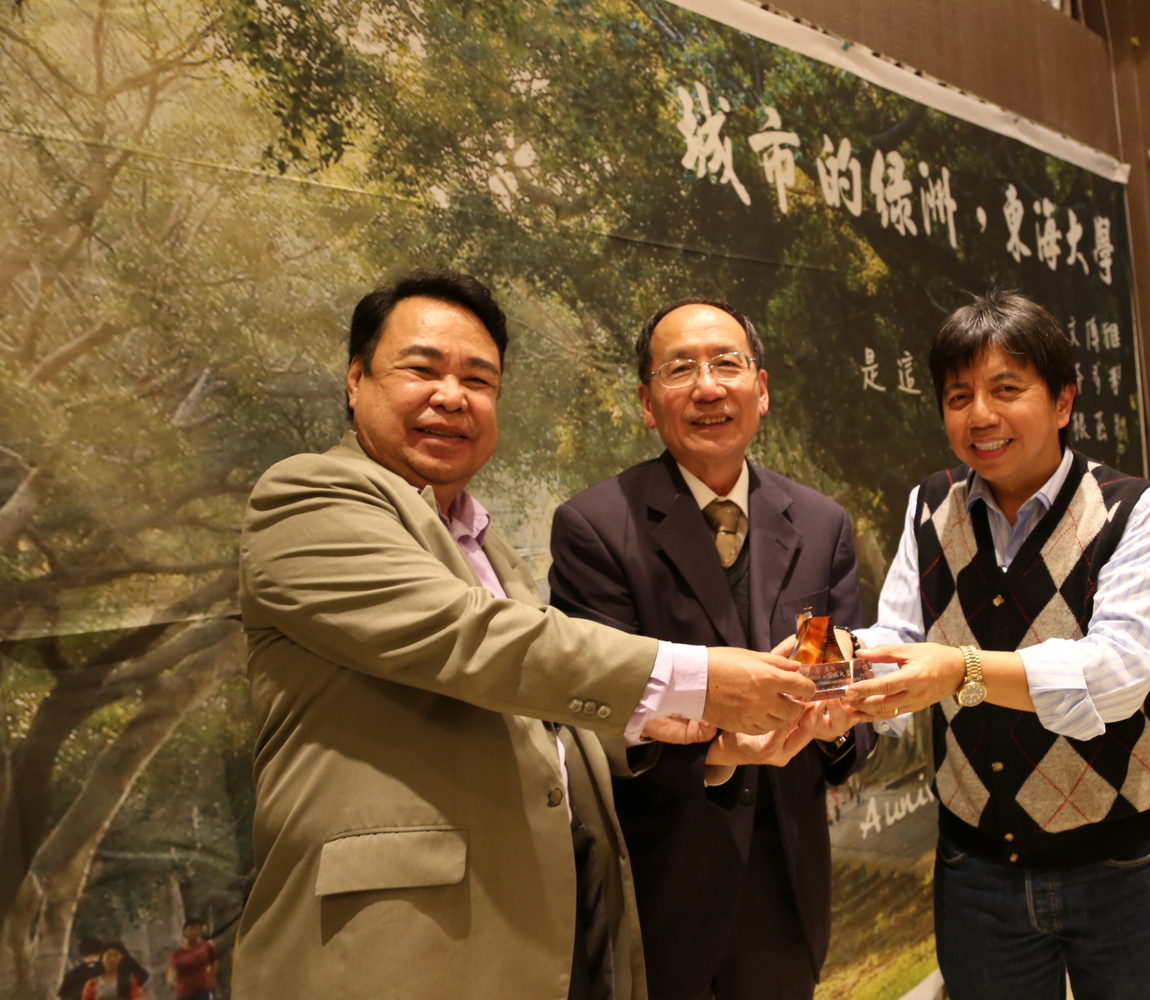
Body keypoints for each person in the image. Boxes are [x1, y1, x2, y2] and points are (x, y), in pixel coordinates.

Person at [232, 270, 815, 1000]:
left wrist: (698, 738)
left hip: (554, 937)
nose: (452, 396)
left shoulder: (486, 542)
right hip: (399, 950)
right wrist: (704, 677)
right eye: (422, 369)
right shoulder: (306, 495)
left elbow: (540, 717)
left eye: (479, 379)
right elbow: (478, 639)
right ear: (355, 380)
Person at [844, 290, 1150, 1000]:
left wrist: (960, 671)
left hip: (1120, 861)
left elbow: (1117, 675)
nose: (981, 415)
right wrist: (848, 666)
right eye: (959, 395)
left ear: (1063, 401)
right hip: (977, 868)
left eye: (1007, 390)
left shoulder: (1136, 512)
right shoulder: (928, 508)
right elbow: (901, 636)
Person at [548, 298, 875, 1000]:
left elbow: (844, 679)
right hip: (665, 878)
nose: (707, 386)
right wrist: (721, 751)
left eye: (727, 363)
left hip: (788, 884)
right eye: (679, 369)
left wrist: (838, 727)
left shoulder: (821, 525)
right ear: (645, 402)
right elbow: (596, 716)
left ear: (761, 389)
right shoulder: (597, 527)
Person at [166, 919, 217, 1000]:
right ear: (184, 932)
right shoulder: (177, 955)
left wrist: (212, 977)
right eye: (190, 929)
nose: (193, 932)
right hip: (184, 993)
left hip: (202, 990)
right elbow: (172, 973)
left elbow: (213, 961)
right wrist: (172, 984)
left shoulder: (205, 947)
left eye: (196, 929)